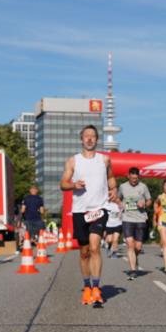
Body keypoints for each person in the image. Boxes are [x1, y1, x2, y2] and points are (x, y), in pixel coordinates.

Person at [61, 125, 117, 307]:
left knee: (95, 248)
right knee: (84, 252)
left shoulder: (105, 160)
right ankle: (86, 286)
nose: (90, 139)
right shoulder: (73, 161)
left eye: (93, 136)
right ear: (82, 139)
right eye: (87, 136)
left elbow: (111, 178)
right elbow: (63, 184)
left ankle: (96, 287)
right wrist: (73, 185)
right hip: (80, 211)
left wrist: (114, 189)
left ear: (97, 139)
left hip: (100, 209)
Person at [119, 167, 152, 280]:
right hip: (127, 218)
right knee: (130, 244)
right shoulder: (122, 186)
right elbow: (118, 199)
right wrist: (120, 204)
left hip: (140, 219)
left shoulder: (143, 187)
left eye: (136, 178)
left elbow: (149, 200)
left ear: (138, 177)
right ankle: (133, 270)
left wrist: (145, 204)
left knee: (138, 247)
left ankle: (135, 258)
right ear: (128, 176)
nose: (134, 180)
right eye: (132, 178)